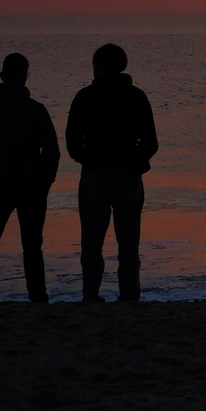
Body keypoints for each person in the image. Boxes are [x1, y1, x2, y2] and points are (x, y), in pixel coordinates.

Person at [66, 43, 158, 303]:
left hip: (94, 175)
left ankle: (90, 294)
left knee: (91, 242)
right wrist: (136, 160)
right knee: (129, 242)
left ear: (101, 66)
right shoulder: (136, 96)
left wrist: (88, 159)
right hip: (127, 175)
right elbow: (151, 142)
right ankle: (129, 295)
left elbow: (72, 140)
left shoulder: (85, 96)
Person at [0, 53, 61, 303]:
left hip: (0, 184)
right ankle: (38, 295)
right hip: (29, 185)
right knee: (31, 246)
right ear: (24, 76)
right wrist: (44, 182)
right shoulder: (35, 110)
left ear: (2, 76)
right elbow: (52, 152)